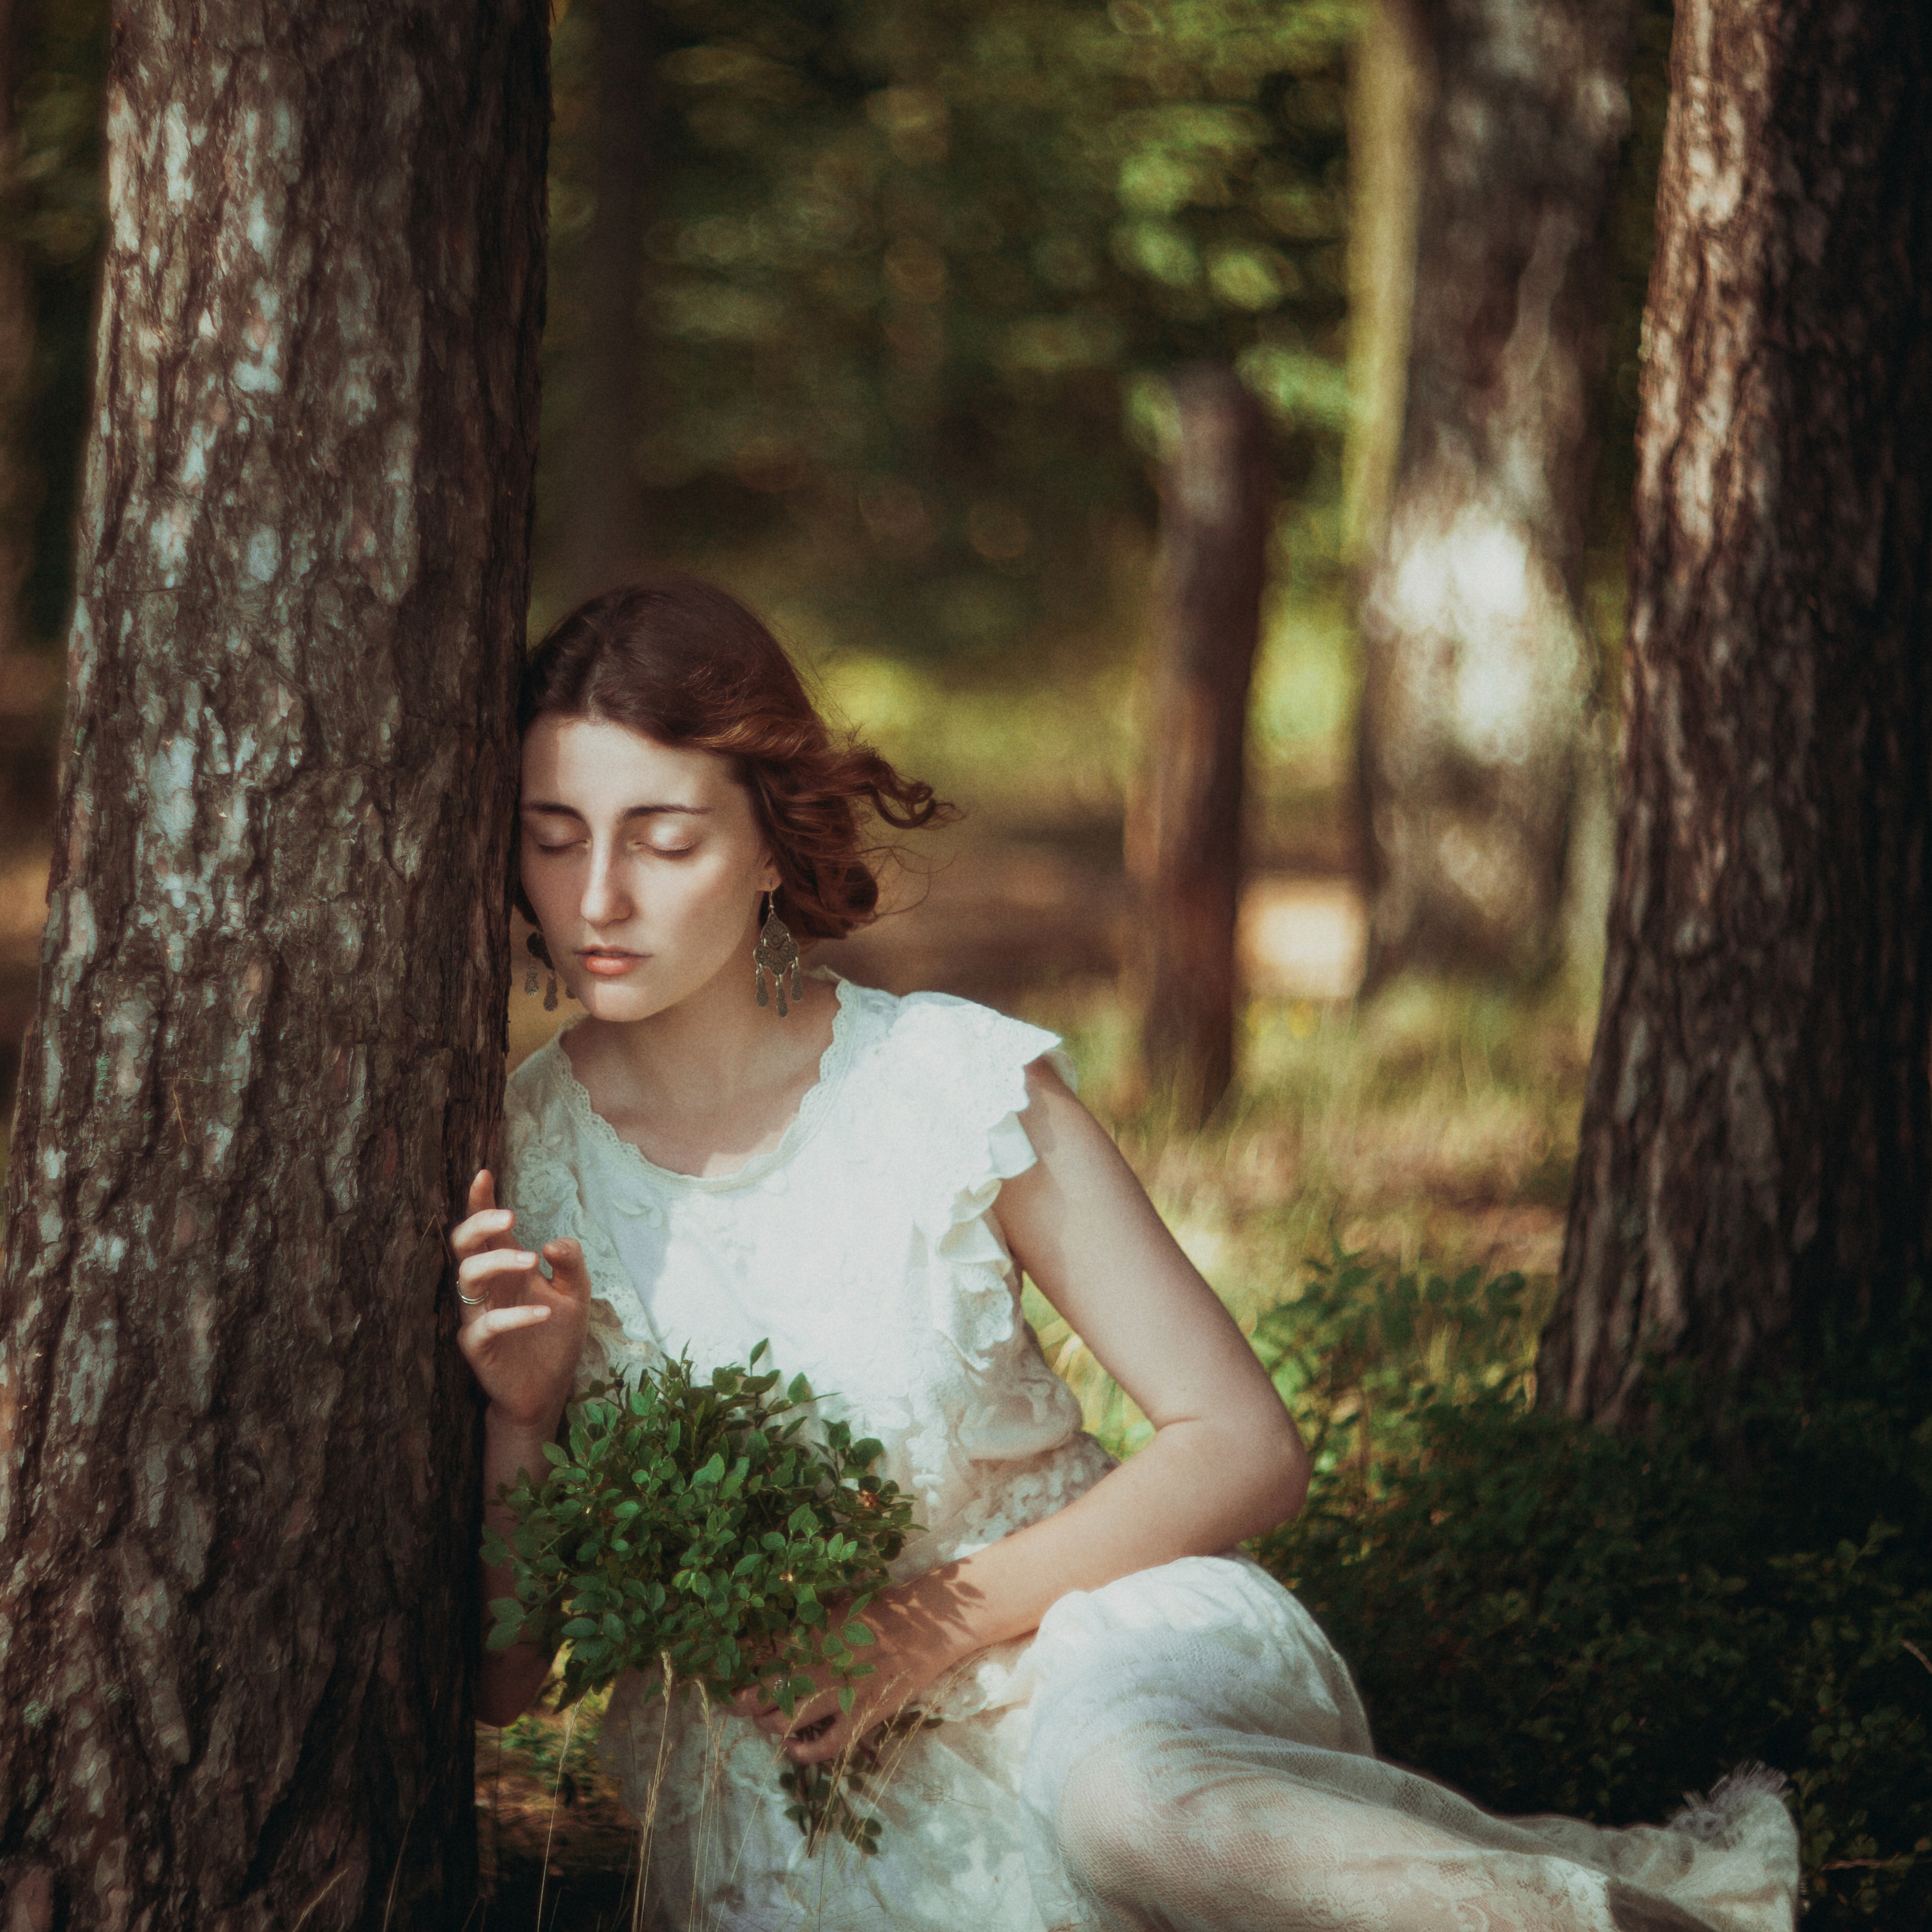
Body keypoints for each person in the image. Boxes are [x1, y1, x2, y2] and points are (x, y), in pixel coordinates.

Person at [451, 578, 1799, 1932]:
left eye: (664, 839)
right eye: (554, 841)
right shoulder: (526, 1150)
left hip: (1097, 1650)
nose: (600, 897)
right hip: (798, 1807)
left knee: (1132, 1817)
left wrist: (925, 1624)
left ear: (766, 846)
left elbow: (1244, 1441)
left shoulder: (944, 1085)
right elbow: (507, 1688)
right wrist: (523, 1414)